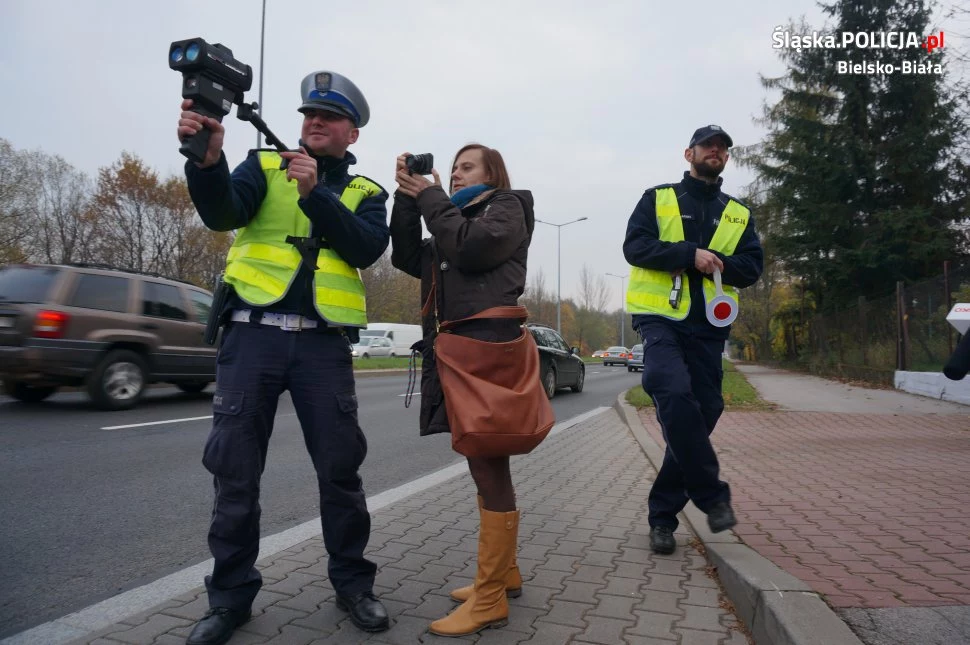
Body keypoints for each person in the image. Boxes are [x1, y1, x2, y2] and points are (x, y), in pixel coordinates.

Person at [176, 70, 390, 643]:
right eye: (307, 115)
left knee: (340, 471)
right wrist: (209, 162)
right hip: (252, 336)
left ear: (352, 134)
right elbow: (222, 212)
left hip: (322, 346)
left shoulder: (367, 192)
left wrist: (315, 193)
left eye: (328, 117)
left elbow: (366, 247)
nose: (313, 122)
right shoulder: (263, 165)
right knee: (235, 471)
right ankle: (229, 599)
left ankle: (354, 586)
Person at [390, 144, 534, 636]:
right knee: (485, 463)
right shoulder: (449, 219)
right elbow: (410, 256)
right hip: (462, 351)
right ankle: (505, 575)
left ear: (493, 174)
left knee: (488, 462)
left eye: (466, 166)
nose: (454, 173)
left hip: (488, 350)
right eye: (450, 169)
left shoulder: (506, 207)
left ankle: (491, 597)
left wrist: (431, 196)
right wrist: (408, 197)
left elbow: (470, 248)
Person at [622, 125, 764, 555]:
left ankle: (662, 517)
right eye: (708, 146)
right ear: (689, 153)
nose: (715, 151)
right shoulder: (657, 197)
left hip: (708, 327)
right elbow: (635, 247)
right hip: (661, 318)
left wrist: (720, 264)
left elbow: (752, 266)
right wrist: (689, 254)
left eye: (722, 148)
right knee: (671, 390)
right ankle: (711, 497)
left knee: (705, 412)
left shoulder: (738, 213)